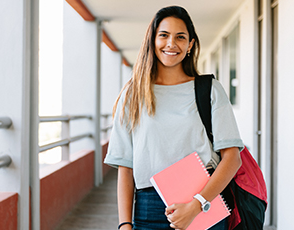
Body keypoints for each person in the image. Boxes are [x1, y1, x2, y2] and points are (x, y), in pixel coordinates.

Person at [104, 5, 244, 230]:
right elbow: (126, 167)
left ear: (190, 45)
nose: (171, 43)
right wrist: (124, 224)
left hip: (203, 203)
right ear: (152, 40)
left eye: (180, 37)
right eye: (164, 35)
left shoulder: (209, 90)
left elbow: (232, 158)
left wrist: (197, 204)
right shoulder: (133, 94)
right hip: (149, 209)